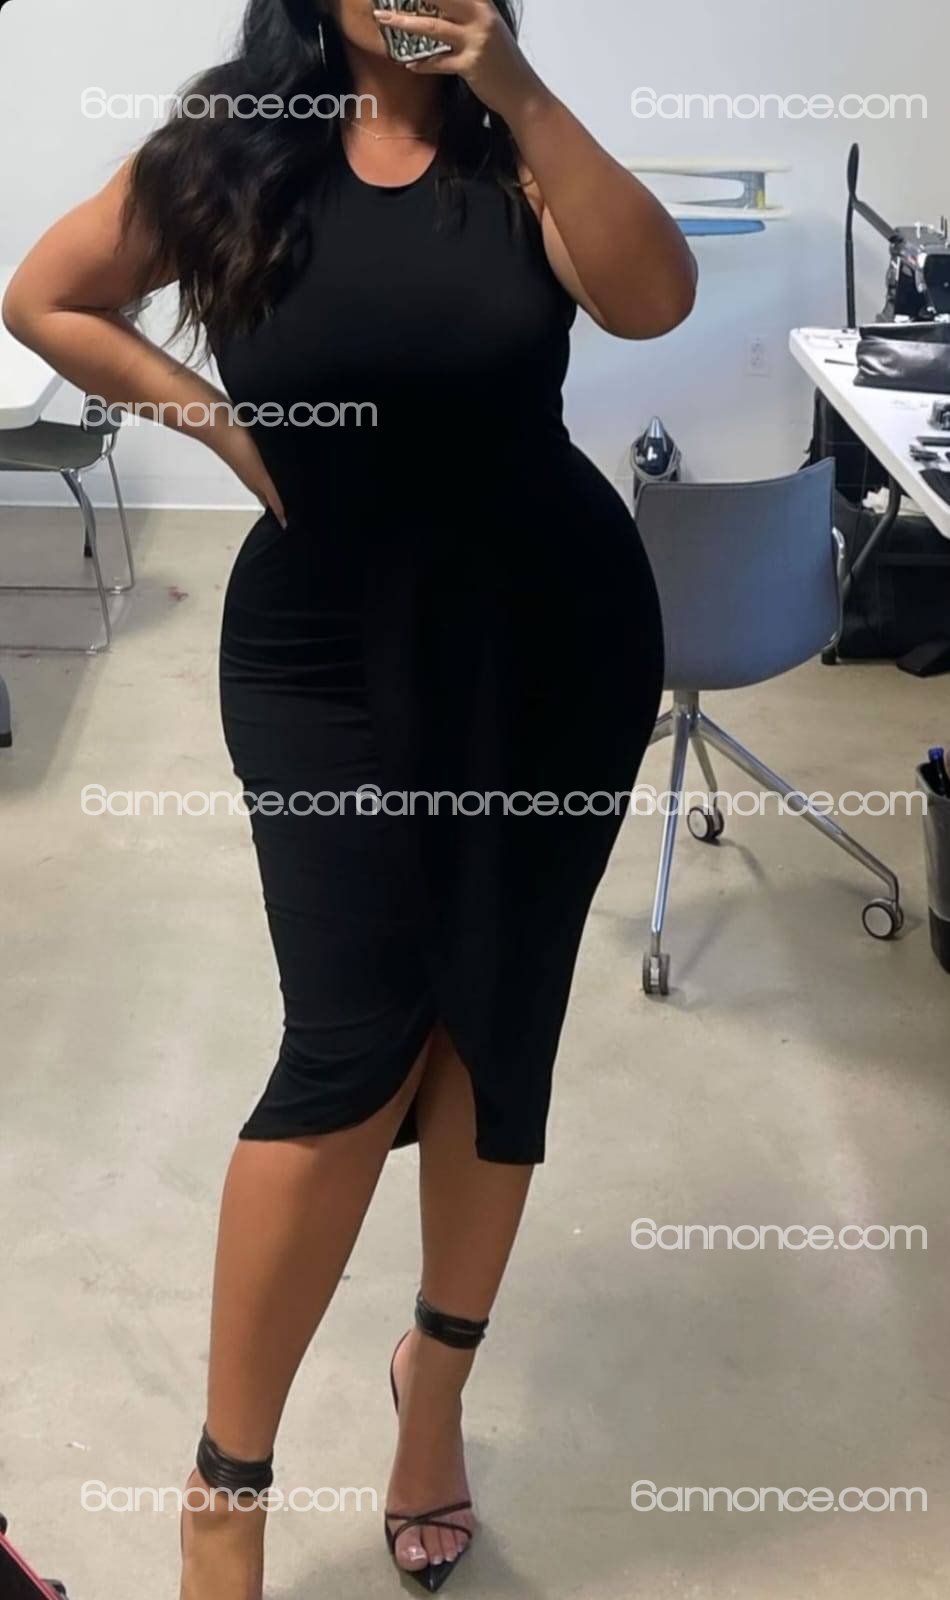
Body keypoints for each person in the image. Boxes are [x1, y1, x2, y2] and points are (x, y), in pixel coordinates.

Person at [2, 2, 696, 1594]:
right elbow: (44, 295)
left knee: (496, 1024)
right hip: (321, 647)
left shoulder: (519, 150)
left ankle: (429, 1395)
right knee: (350, 1041)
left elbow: (654, 300)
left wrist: (515, 86)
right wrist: (223, 432)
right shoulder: (232, 152)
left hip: (548, 640)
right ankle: (225, 1490)